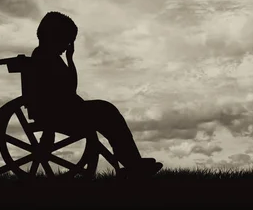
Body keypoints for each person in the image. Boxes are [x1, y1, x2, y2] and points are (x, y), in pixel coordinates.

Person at [27, 11, 163, 176]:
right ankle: (131, 163)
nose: (67, 46)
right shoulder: (46, 58)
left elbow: (68, 88)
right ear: (55, 37)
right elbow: (70, 89)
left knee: (107, 112)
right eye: (66, 41)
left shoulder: (44, 56)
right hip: (61, 113)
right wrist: (70, 60)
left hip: (61, 110)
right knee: (108, 113)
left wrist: (69, 60)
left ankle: (131, 162)